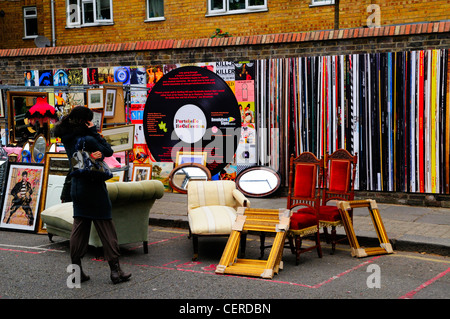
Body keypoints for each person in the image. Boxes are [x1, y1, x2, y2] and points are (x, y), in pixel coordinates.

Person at [53, 106, 131, 285]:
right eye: (90, 120)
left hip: (77, 186)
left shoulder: (67, 137)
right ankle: (115, 271)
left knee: (79, 227)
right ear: (84, 121)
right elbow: (109, 151)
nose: (92, 122)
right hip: (94, 186)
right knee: (106, 226)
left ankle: (76, 271)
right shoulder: (88, 138)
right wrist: (94, 132)